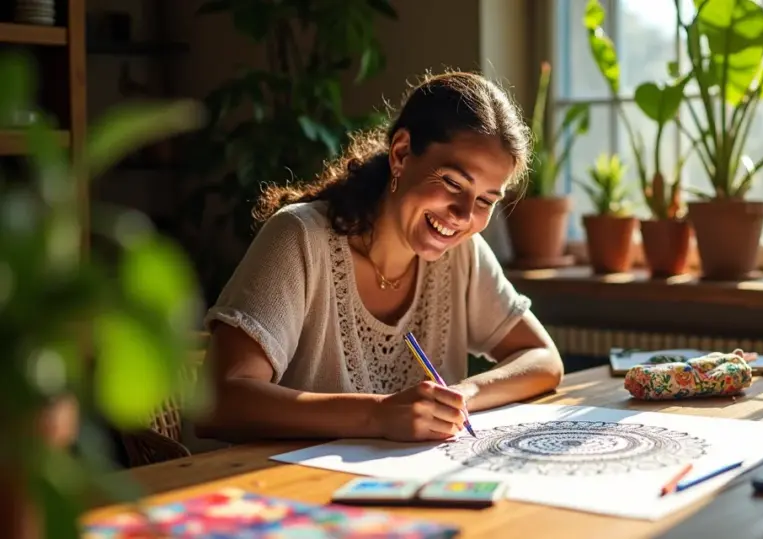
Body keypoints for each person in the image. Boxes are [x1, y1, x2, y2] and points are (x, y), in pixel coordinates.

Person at [196, 71, 564, 444]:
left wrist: (463, 396)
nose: (464, 215)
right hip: (283, 488)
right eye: (453, 182)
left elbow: (543, 358)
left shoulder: (462, 253)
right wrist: (376, 415)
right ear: (401, 153)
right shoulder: (300, 237)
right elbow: (216, 404)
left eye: (486, 200)